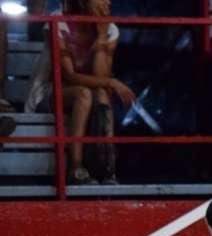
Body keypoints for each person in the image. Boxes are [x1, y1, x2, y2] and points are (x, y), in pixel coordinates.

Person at [24, 0, 135, 184]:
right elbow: (69, 75)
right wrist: (112, 81)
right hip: (48, 93)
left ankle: (106, 168)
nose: (107, 2)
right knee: (84, 93)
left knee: (99, 93)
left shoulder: (110, 30)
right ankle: (75, 167)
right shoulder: (57, 21)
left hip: (88, 93)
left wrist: (100, 36)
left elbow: (100, 75)